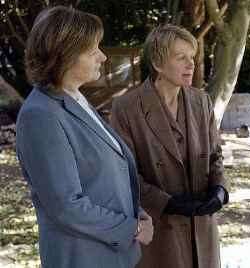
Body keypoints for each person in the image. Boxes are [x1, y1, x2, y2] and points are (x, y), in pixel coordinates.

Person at [15, 6, 153, 268]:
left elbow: (105, 177)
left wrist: (136, 215)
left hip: (111, 255)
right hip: (84, 258)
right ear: (64, 57)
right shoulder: (41, 116)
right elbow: (66, 207)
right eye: (93, 51)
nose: (102, 57)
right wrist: (131, 228)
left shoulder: (74, 99)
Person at [110, 24, 228, 268]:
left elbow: (216, 155)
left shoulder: (201, 101)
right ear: (157, 64)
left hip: (202, 228)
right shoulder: (126, 108)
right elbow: (124, 175)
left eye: (192, 57)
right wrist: (167, 203)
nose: (191, 64)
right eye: (180, 57)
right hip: (159, 230)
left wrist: (220, 189)